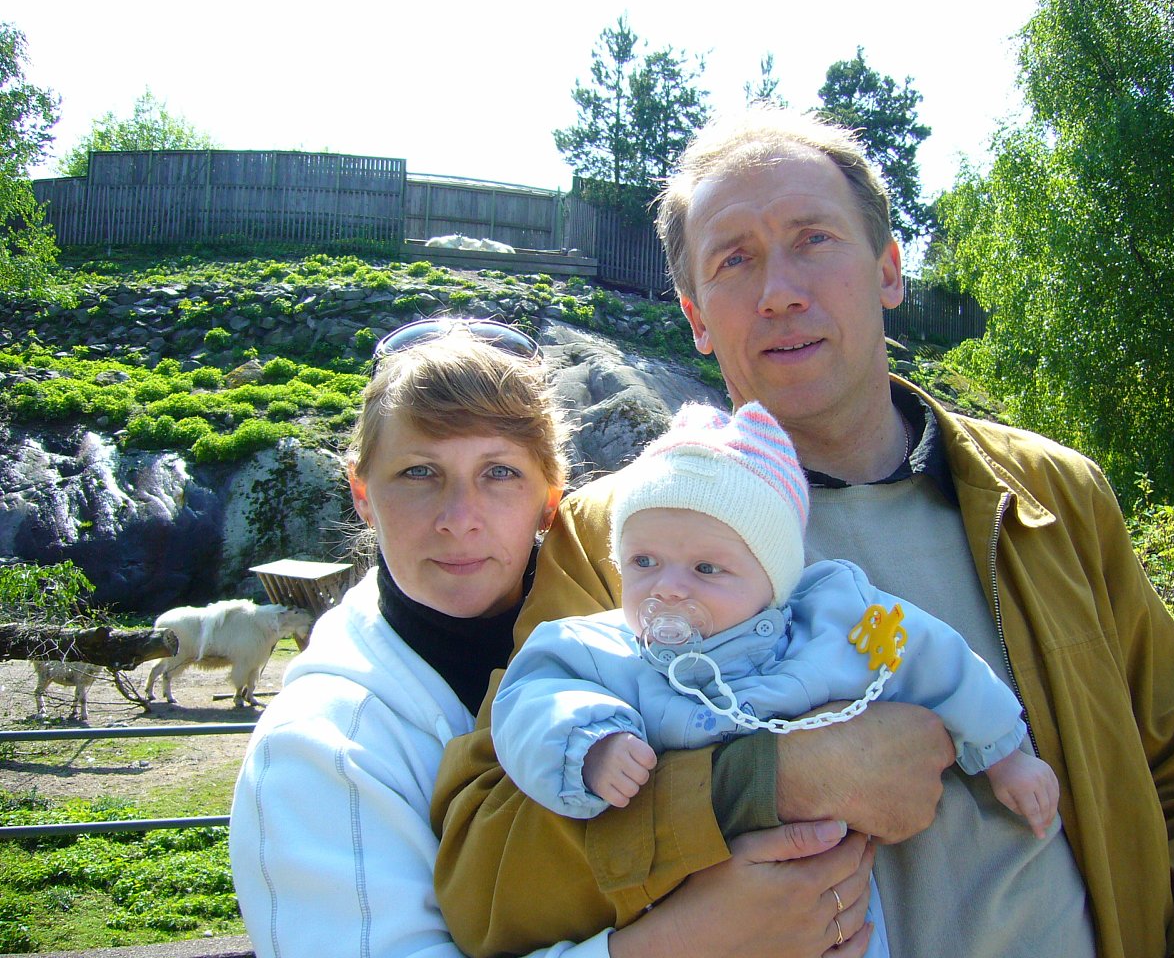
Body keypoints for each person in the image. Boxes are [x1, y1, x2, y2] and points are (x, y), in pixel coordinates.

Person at [432, 108, 1174, 958]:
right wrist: (772, 780)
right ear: (696, 317)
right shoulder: (615, 539)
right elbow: (490, 876)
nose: (780, 291)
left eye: (814, 239)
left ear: (889, 270)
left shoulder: (1053, 498)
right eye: (734, 260)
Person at [228, 315, 873, 958]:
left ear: (550, 498)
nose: (459, 518)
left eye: (499, 473)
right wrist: (688, 942)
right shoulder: (319, 747)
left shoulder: (653, 628)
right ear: (362, 494)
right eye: (419, 472)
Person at [493, 400, 1060, 958]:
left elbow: (933, 655)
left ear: (773, 581)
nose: (667, 588)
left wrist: (1002, 753)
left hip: (835, 897)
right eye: (644, 562)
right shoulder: (607, 650)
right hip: (693, 910)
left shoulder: (833, 623)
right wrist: (591, 745)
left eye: (707, 568)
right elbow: (534, 696)